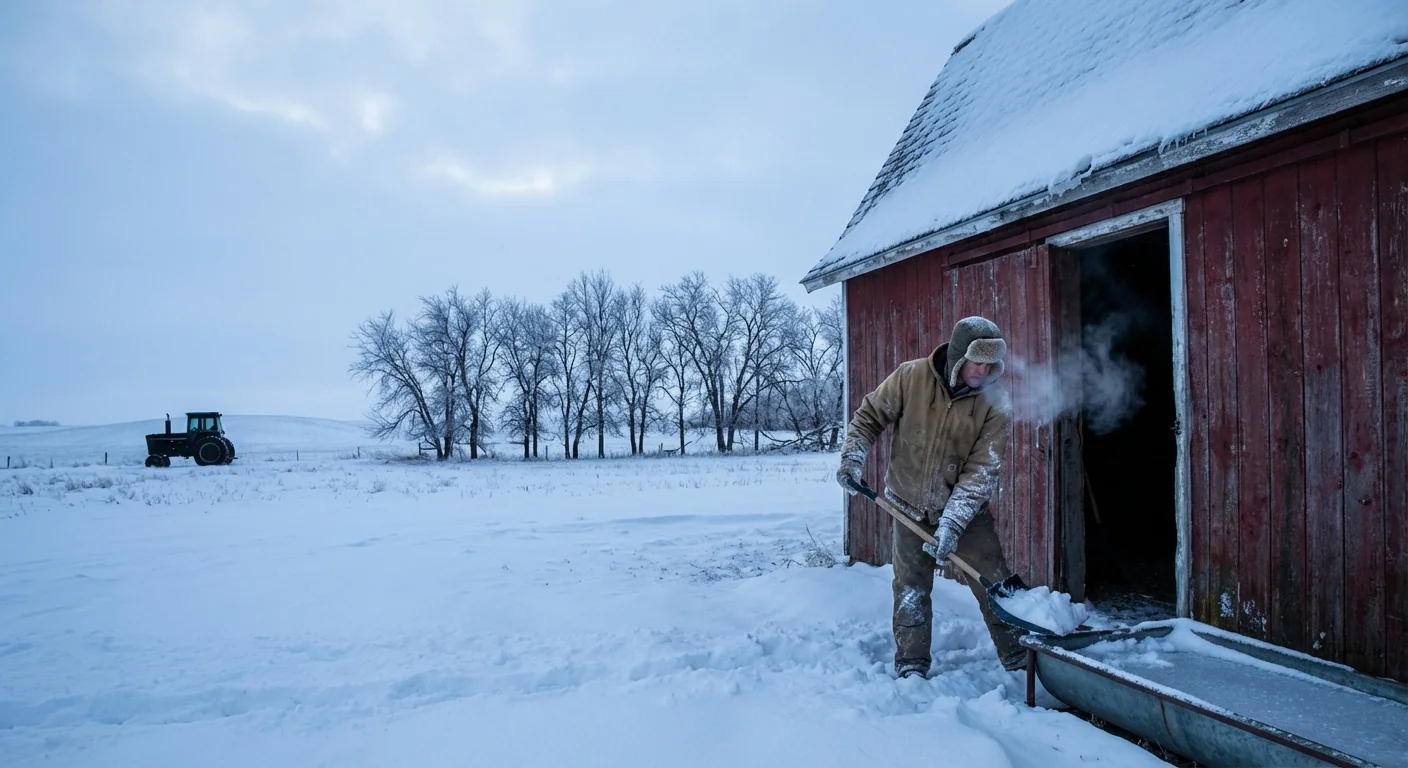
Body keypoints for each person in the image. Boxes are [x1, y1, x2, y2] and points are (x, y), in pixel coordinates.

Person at [836, 316, 1023, 678]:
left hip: (967, 516)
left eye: (990, 364)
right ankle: (911, 664)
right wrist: (852, 457)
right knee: (911, 589)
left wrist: (952, 523)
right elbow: (868, 417)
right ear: (958, 356)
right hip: (908, 505)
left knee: (995, 586)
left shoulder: (996, 402)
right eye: (977, 361)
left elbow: (981, 471)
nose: (984, 371)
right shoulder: (911, 377)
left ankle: (1019, 661)